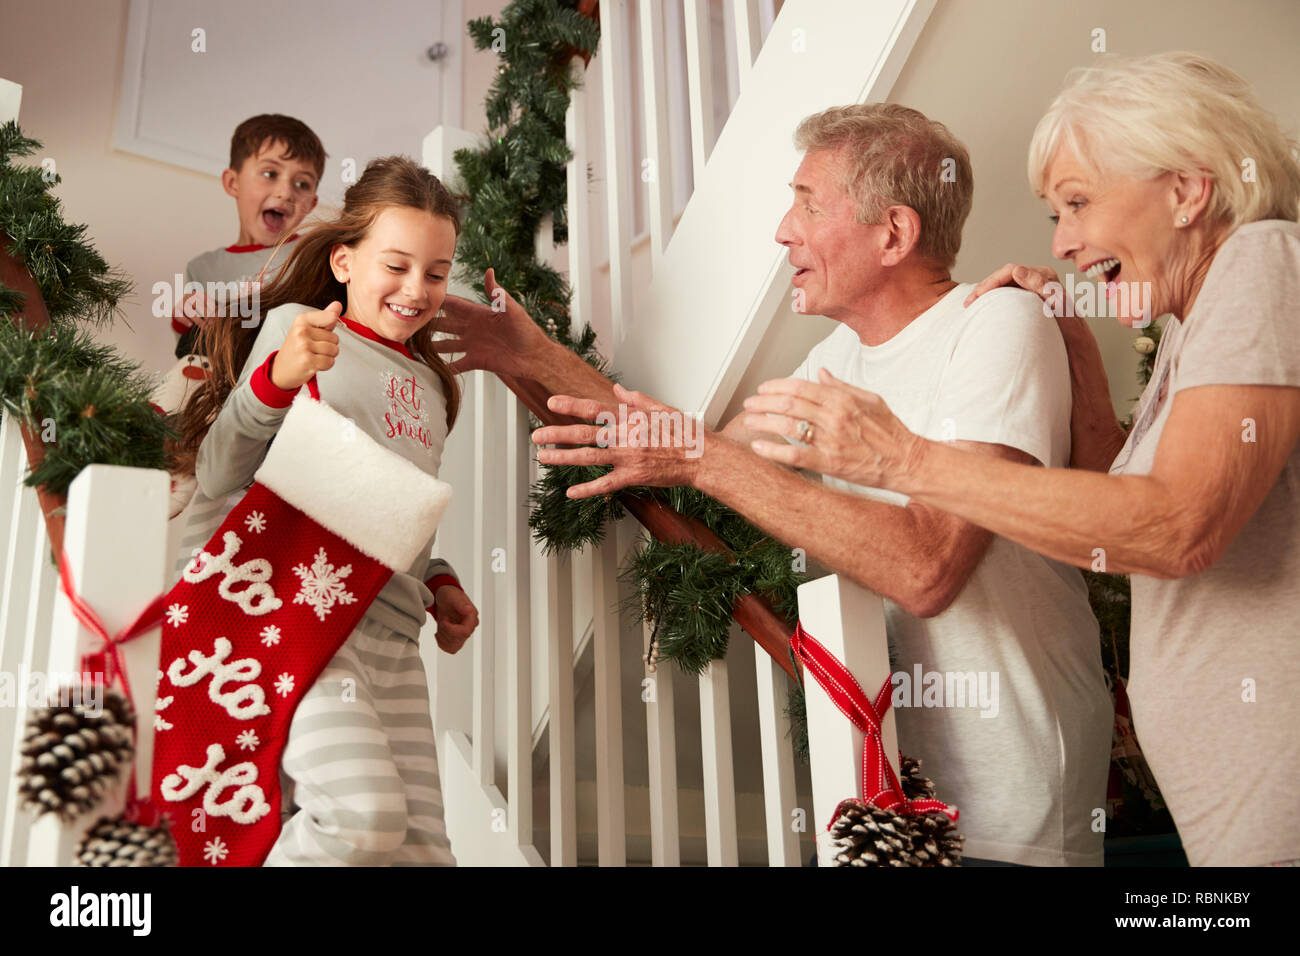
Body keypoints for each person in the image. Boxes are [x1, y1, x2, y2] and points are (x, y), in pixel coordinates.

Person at [439, 105, 1113, 866]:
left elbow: (926, 570)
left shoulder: (995, 325)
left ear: (893, 233)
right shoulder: (836, 359)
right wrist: (531, 355)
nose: (783, 230)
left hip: (1016, 798)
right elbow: (695, 453)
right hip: (900, 792)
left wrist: (702, 459)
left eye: (808, 204)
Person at [744, 53, 1300, 867]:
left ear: (1186, 191)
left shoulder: (1260, 261)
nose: (1065, 242)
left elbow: (1179, 527)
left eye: (1077, 204)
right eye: (1054, 214)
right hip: (1235, 809)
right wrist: (1075, 346)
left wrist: (903, 458)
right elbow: (1122, 513)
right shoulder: (1192, 319)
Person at [172, 155, 479, 865]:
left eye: (436, 272)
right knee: (358, 817)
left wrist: (438, 579)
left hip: (394, 636)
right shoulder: (297, 329)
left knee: (423, 853)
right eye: (395, 266)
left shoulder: (434, 388)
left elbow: (390, 503)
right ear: (343, 260)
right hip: (297, 616)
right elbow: (220, 472)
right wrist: (278, 378)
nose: (416, 289)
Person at [160, 114, 326, 578]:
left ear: (311, 202)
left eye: (301, 184)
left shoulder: (303, 254)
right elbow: (186, 329)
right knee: (188, 371)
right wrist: (193, 306)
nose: (285, 191)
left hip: (272, 375)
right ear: (233, 182)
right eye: (270, 174)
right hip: (218, 372)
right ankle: (172, 454)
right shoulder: (206, 264)